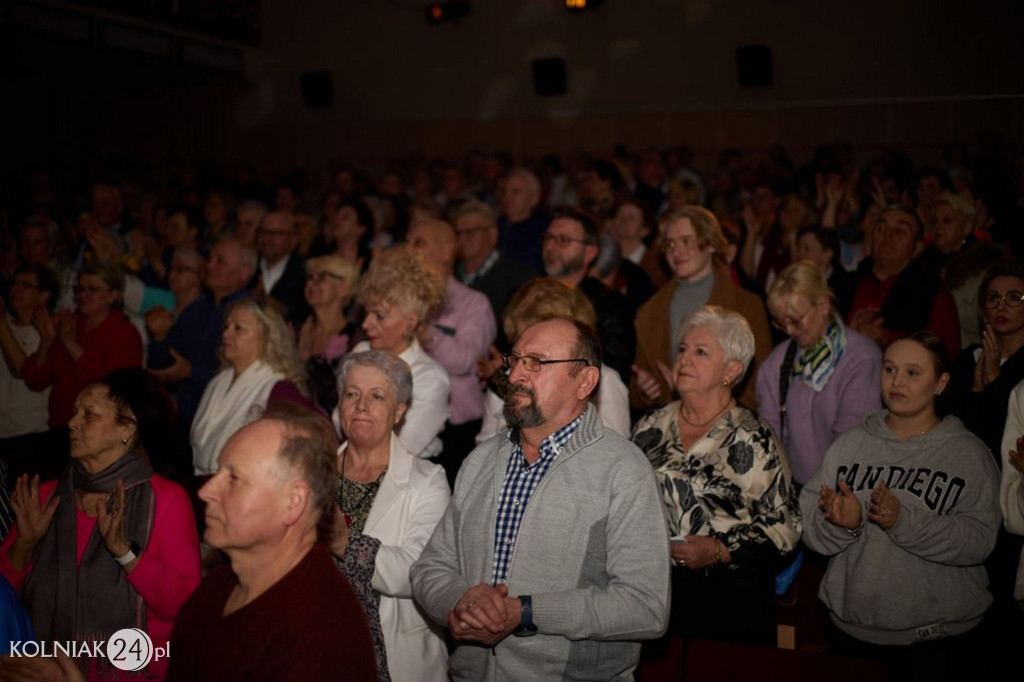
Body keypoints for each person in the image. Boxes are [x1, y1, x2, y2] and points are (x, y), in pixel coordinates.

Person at [411, 317, 670, 681]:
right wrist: (461, 602)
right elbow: (429, 568)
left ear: (585, 381)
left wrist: (525, 612)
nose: (515, 374)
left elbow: (645, 607)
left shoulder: (623, 470)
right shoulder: (481, 462)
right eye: (514, 360)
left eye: (535, 362)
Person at [800, 332, 999, 678]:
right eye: (889, 369)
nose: (897, 381)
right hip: (852, 635)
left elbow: (980, 541)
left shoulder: (968, 454)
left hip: (937, 642)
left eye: (912, 372)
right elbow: (808, 524)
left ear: (941, 383)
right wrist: (843, 525)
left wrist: (902, 522)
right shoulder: (849, 445)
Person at [0, 368, 201, 680]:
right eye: (75, 412)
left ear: (128, 428)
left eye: (89, 414)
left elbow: (185, 605)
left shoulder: (165, 500)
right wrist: (23, 546)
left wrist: (125, 552)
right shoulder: (46, 497)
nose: (71, 423)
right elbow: (3, 598)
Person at [632, 306, 801, 653]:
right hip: (656, 595)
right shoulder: (650, 427)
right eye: (682, 350)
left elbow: (785, 530)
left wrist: (719, 550)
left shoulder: (753, 437)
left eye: (701, 352)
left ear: (731, 371)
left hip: (731, 602)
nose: (685, 359)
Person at [167, 407, 376, 681]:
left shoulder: (320, 633)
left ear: (293, 502)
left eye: (233, 479)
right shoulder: (220, 586)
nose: (206, 491)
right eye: (217, 472)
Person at [331, 351, 450, 682]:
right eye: (351, 394)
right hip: (319, 641)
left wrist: (345, 543)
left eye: (377, 396)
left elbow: (418, 570)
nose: (361, 405)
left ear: (400, 410)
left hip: (396, 655)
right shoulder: (315, 472)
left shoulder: (427, 480)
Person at [632, 206, 772, 412]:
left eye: (687, 241)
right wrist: (647, 391)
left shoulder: (746, 304)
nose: (676, 252)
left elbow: (760, 384)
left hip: (728, 430)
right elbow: (636, 391)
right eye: (670, 244)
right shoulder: (650, 310)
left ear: (711, 244)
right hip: (670, 428)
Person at [755, 262, 882, 486]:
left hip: (842, 490)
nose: (789, 331)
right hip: (793, 488)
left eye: (795, 320)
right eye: (781, 323)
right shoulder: (777, 362)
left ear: (823, 303)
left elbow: (851, 443)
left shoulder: (861, 357)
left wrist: (817, 498)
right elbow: (769, 437)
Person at [476, 278, 631, 443]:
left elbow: (616, 450)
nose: (516, 374)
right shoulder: (505, 378)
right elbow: (485, 448)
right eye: (519, 337)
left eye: (537, 355)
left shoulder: (603, 380)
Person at [406, 218, 496, 484]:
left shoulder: (473, 303)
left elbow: (464, 360)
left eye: (418, 243)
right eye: (407, 242)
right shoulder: (396, 299)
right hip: (403, 418)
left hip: (456, 431)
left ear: (447, 251)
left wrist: (417, 325)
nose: (408, 250)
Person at [350, 247, 450, 459]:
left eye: (380, 315)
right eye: (367, 313)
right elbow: (339, 419)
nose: (366, 324)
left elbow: (400, 449)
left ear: (409, 322)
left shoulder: (430, 379)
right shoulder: (360, 352)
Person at [191, 299, 308, 477]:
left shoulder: (279, 389)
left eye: (238, 328)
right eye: (226, 326)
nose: (226, 334)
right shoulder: (218, 382)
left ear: (266, 336)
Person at [147, 237, 255, 430]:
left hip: (226, 423)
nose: (210, 266)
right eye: (210, 259)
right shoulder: (196, 309)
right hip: (186, 418)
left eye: (220, 261)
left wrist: (192, 373)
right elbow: (164, 365)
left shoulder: (252, 316)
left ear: (244, 272)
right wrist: (159, 336)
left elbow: (248, 376)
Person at [22, 262, 143, 432]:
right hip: (61, 426)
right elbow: (35, 380)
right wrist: (46, 342)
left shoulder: (125, 334)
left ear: (112, 295)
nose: (83, 295)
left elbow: (110, 393)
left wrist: (71, 344)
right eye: (79, 289)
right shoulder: (72, 324)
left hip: (101, 432)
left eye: (92, 290)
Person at [847, 205, 961, 359]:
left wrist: (888, 339)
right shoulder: (846, 284)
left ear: (917, 248)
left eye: (900, 231)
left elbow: (946, 353)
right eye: (881, 228)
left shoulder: (932, 292)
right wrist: (846, 334)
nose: (887, 235)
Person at [542, 208, 636, 384]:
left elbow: (614, 373)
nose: (550, 247)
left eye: (563, 240)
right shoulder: (525, 297)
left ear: (590, 252)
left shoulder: (610, 305)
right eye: (548, 238)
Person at [947, 262, 1024, 455]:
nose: (1001, 306)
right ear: (984, 309)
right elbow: (950, 423)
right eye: (993, 298)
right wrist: (976, 389)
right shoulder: (968, 358)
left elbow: (1011, 431)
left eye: (1014, 298)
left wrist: (996, 379)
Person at [0, 264, 60, 481]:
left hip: (30, 435)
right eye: (14, 283)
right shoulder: (6, 325)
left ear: (43, 295)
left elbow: (22, 370)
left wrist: (1, 324)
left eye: (25, 285)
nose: (15, 289)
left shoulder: (48, 331)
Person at [452, 200, 536, 350]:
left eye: (471, 231)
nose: (463, 238)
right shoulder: (450, 277)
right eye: (458, 233)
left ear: (492, 234)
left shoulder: (518, 278)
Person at [297, 255, 361, 413]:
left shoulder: (356, 337)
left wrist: (304, 360)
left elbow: (341, 392)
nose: (312, 283)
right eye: (310, 277)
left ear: (344, 287)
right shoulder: (298, 331)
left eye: (321, 277)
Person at [253, 210, 309, 327]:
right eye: (264, 232)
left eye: (275, 234)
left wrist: (281, 309)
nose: (267, 239)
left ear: (293, 240)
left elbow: (306, 315)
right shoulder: (248, 268)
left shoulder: (306, 273)